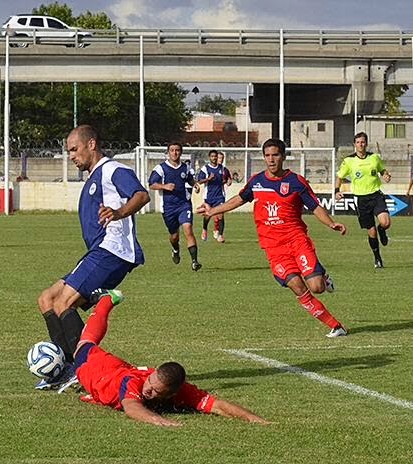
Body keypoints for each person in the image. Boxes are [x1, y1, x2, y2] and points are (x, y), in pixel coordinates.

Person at [197, 139, 348, 338]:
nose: (271, 159)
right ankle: (336, 326)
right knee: (297, 286)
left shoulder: (296, 182)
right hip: (273, 248)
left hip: (297, 241)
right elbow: (239, 199)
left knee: (317, 287)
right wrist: (212, 211)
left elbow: (315, 206)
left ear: (283, 157)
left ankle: (323, 275)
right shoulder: (257, 181)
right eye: (267, 155)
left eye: (275, 155)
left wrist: (330, 223)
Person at [36, 124, 149, 389]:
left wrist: (118, 213)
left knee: (64, 302)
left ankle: (82, 369)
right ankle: (65, 367)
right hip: (98, 251)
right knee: (47, 299)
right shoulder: (94, 177)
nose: (71, 156)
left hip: (113, 251)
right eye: (68, 151)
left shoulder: (112, 170)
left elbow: (141, 195)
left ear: (92, 144)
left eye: (74, 149)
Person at [67, 288, 270, 426]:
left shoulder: (182, 390)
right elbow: (132, 408)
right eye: (150, 383)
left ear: (172, 393)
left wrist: (255, 419)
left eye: (155, 391)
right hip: (98, 370)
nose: (148, 390)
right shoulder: (134, 383)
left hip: (120, 371)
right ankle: (107, 299)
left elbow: (216, 405)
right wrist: (160, 421)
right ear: (152, 373)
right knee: (84, 346)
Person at [335, 132, 392, 268]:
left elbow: (382, 170)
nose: (361, 144)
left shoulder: (374, 158)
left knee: (385, 222)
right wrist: (337, 191)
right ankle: (377, 258)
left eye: (363, 142)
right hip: (361, 199)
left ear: (366, 143)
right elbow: (340, 177)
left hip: (376, 195)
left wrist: (386, 175)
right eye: (358, 142)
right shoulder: (349, 161)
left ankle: (382, 230)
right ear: (354, 145)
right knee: (371, 231)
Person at [147, 142, 202, 270]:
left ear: (181, 152)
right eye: (172, 150)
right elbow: (151, 184)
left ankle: (194, 261)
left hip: (184, 204)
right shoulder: (160, 168)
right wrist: (164, 186)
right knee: (174, 236)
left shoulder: (185, 168)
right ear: (168, 152)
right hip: (169, 207)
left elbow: (189, 179)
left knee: (188, 229)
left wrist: (195, 184)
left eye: (177, 150)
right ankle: (175, 249)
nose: (175, 153)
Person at [196, 150, 231, 243]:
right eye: (212, 156)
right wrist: (208, 179)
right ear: (209, 157)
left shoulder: (223, 169)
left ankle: (220, 235)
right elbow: (199, 181)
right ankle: (204, 229)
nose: (214, 158)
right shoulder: (205, 169)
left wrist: (228, 181)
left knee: (221, 215)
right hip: (209, 196)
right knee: (208, 215)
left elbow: (228, 178)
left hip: (220, 196)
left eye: (215, 156)